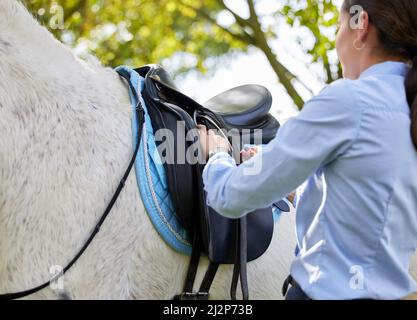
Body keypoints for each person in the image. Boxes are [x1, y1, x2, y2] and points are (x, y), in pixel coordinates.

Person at [197, 0, 417, 300]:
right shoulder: (406, 108)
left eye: (338, 28)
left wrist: (218, 154)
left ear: (360, 26)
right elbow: (371, 211)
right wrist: (294, 192)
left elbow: (230, 196)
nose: (337, 41)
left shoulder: (350, 101)